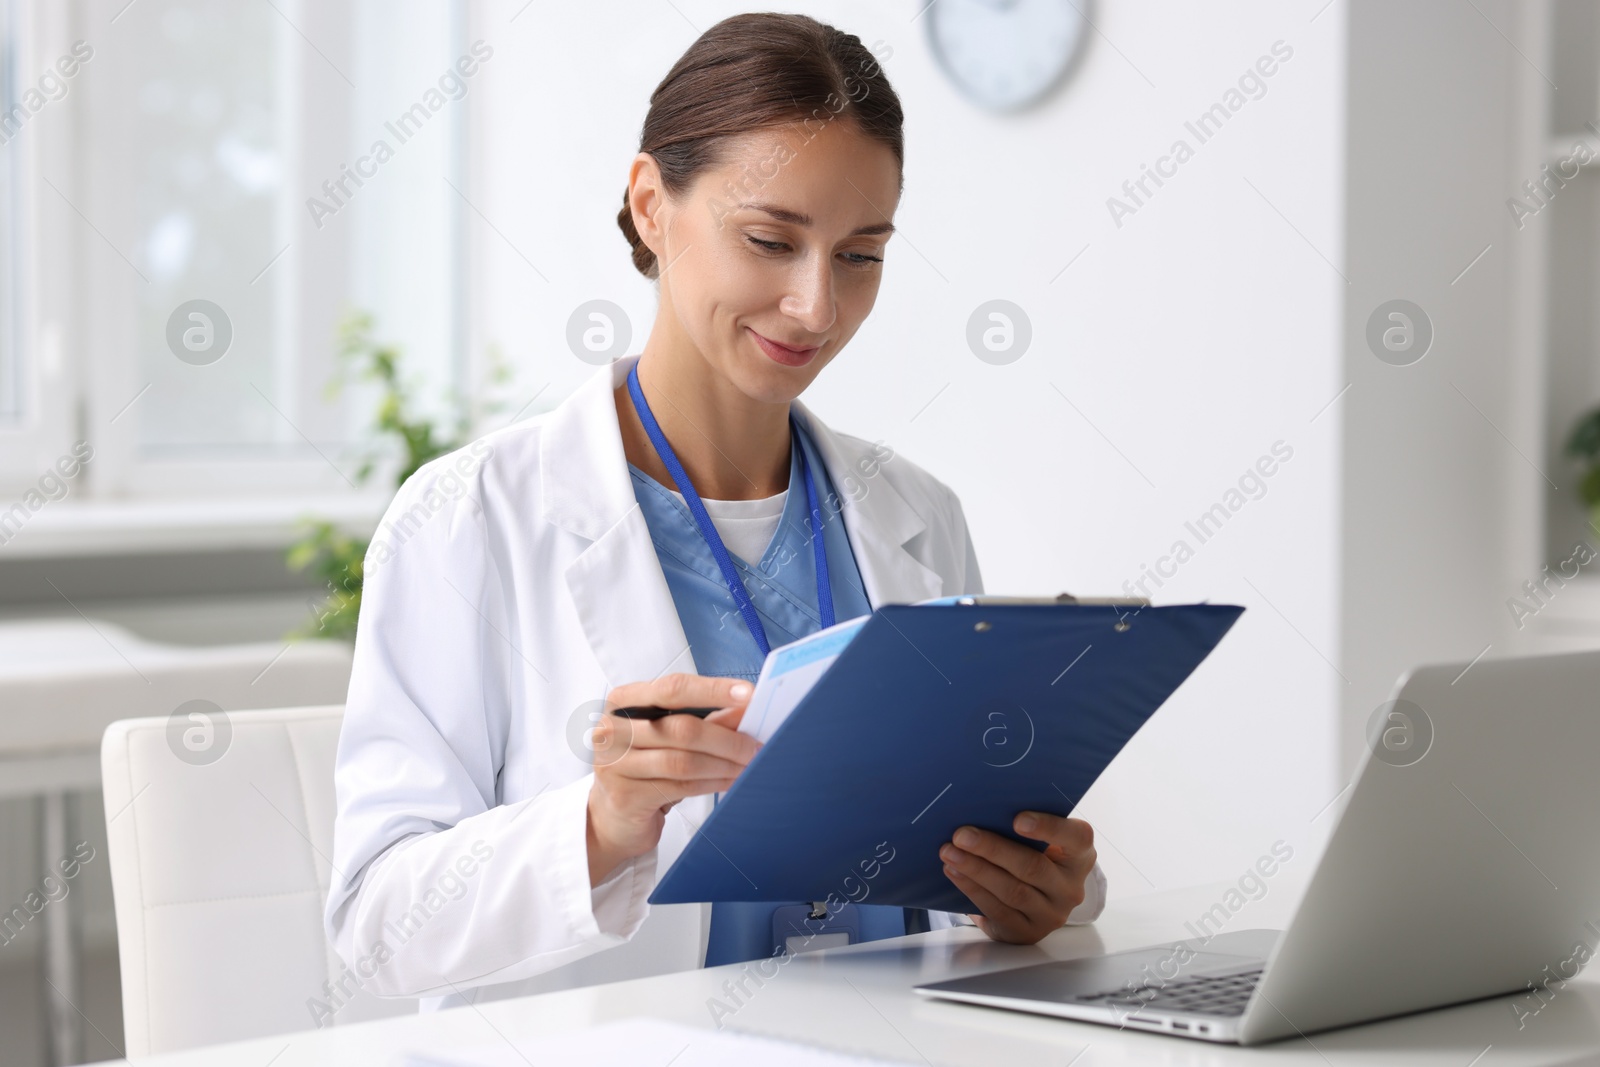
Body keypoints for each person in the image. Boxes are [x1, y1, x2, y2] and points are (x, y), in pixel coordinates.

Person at [326, 11, 1105, 1011]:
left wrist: (1036, 892)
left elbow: (983, 848)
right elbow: (375, 930)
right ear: (652, 204)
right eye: (770, 240)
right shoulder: (465, 520)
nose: (816, 306)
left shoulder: (916, 514)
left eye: (860, 254)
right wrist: (600, 824)